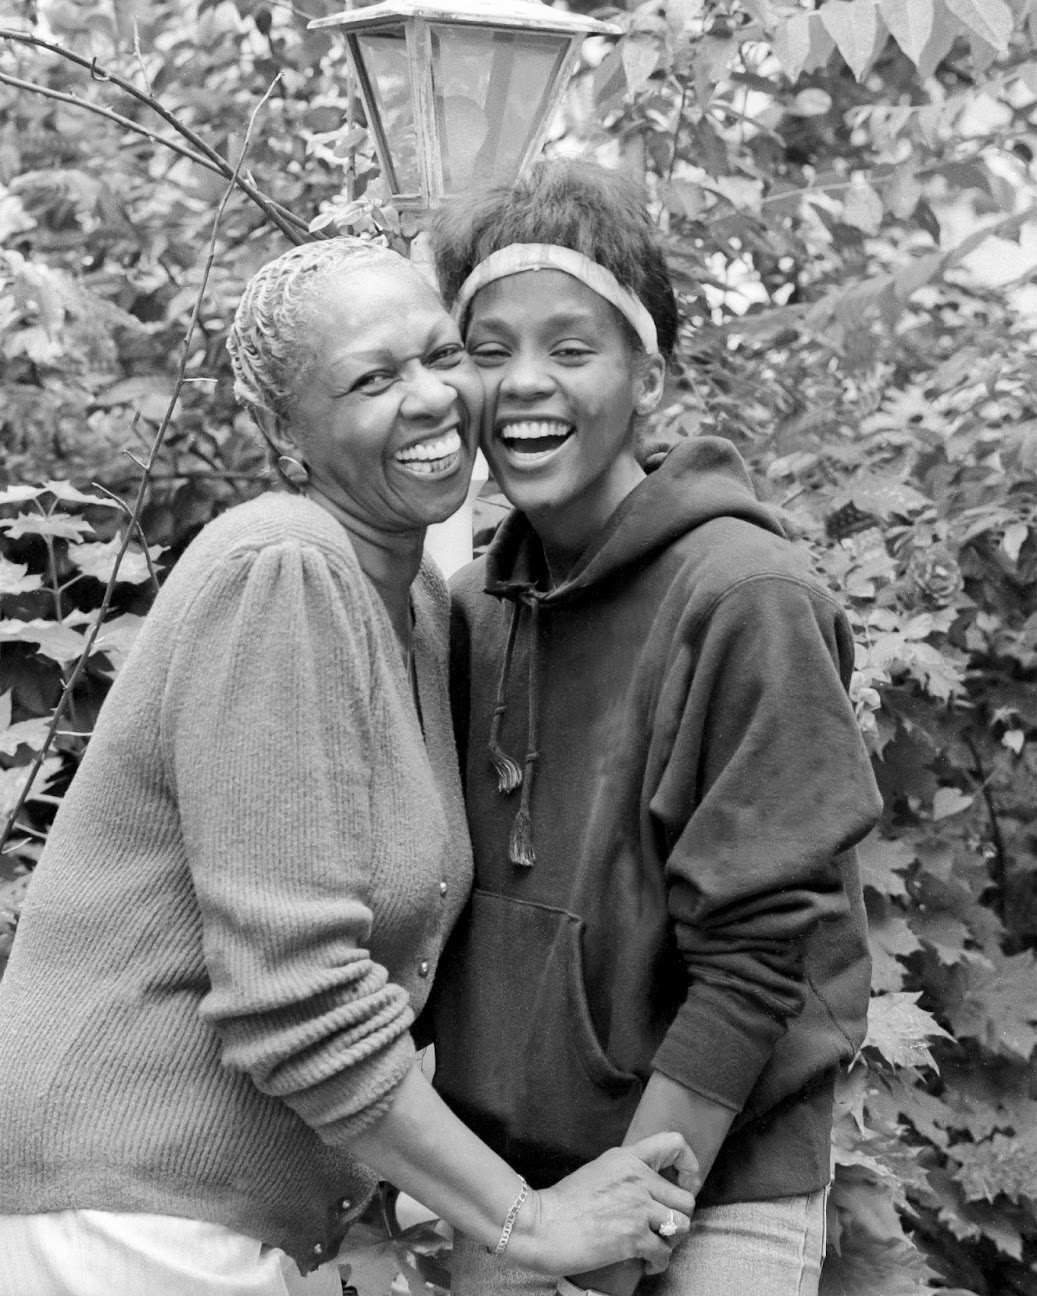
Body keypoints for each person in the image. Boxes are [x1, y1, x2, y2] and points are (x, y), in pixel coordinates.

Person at [0, 237, 697, 1296]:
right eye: (372, 379)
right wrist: (526, 1219)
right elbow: (294, 990)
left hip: (204, 1221)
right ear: (288, 435)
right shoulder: (282, 569)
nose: (430, 398)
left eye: (439, 353)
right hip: (122, 1218)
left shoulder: (414, 602)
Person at [428, 161, 884, 1296]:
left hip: (713, 1181)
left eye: (571, 348)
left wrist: (627, 1235)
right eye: (489, 350)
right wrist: (521, 1226)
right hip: (518, 1191)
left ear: (649, 373)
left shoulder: (746, 597)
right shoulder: (470, 609)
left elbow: (753, 962)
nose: (524, 384)